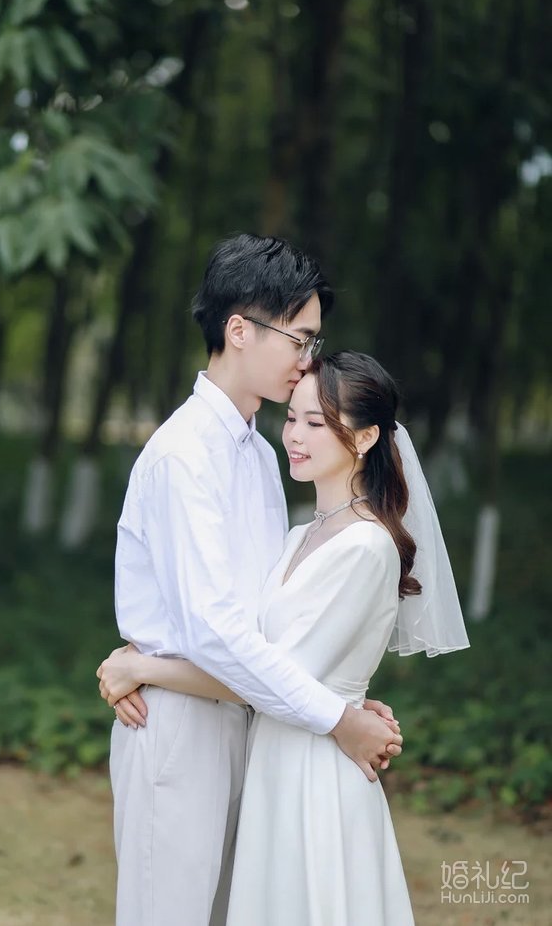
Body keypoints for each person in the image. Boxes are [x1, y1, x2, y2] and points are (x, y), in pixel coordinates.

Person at [100, 351, 470, 925]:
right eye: (292, 417)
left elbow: (259, 677)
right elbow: (265, 657)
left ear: (366, 436)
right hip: (276, 757)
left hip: (313, 772)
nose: (294, 435)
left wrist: (141, 668)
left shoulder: (366, 545)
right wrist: (343, 701)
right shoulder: (299, 535)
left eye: (316, 422)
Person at [98, 235, 404, 926]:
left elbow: (273, 621)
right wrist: (336, 717)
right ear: (239, 330)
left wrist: (341, 693)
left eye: (314, 341)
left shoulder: (262, 457)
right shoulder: (183, 457)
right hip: (181, 725)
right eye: (300, 338)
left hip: (260, 723)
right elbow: (214, 633)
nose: (309, 359)